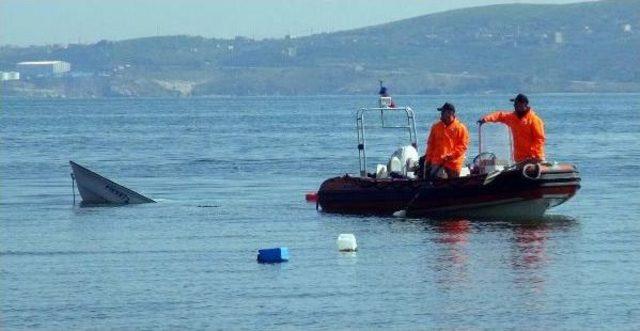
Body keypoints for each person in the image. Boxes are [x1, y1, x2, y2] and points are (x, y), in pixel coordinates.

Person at [477, 94, 545, 163]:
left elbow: (539, 139)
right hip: (520, 159)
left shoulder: (534, 120)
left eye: (516, 103)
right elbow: (500, 115)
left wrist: (533, 154)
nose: (514, 105)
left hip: (534, 158)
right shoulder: (512, 117)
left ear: (524, 104)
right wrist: (486, 119)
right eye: (514, 104)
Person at [423, 102, 470, 179]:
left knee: (453, 184)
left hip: (453, 163)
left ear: (449, 113)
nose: (441, 114)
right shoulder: (436, 127)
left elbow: (462, 147)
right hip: (437, 162)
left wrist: (450, 156)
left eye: (442, 112)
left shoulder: (461, 128)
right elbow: (430, 145)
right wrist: (428, 160)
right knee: (435, 179)